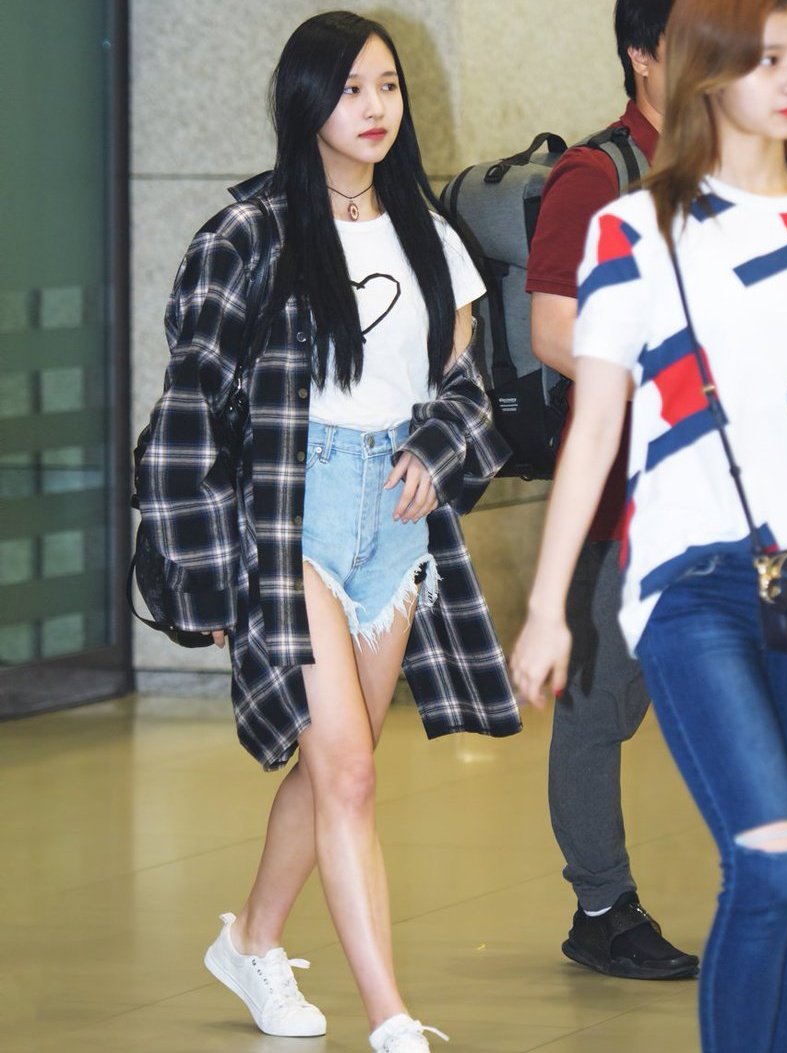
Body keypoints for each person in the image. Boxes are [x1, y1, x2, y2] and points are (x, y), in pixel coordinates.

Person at [137, 11, 522, 1053]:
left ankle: (251, 940)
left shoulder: (428, 233)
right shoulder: (247, 234)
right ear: (306, 100)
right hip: (287, 516)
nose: (374, 107)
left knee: (332, 769)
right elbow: (187, 413)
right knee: (347, 770)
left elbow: (467, 388)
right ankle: (389, 1016)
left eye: (387, 86)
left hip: (391, 525)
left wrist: (436, 448)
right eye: (351, 89)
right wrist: (205, 578)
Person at [512, 0, 787, 1048]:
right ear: (701, 68)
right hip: (689, 581)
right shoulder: (629, 223)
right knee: (769, 858)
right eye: (767, 58)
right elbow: (593, 427)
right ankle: (611, 909)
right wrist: (546, 607)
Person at [526, 0, 698, 980]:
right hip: (625, 495)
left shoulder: (742, 166)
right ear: (641, 56)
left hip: (736, 498)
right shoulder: (595, 176)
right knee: (597, 707)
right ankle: (601, 906)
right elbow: (555, 332)